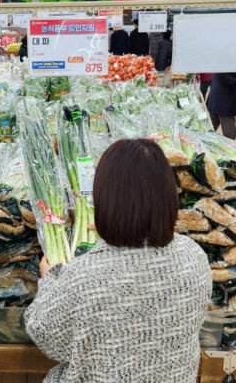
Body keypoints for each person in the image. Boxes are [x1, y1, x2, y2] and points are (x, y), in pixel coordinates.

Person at [25, 138, 212, 383]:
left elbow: (44, 335)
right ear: (169, 198)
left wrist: (49, 279)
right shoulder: (194, 258)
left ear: (104, 201)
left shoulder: (83, 277)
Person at [207, 73, 236, 140]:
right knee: (229, 133)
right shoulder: (225, 64)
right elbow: (222, 75)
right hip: (224, 99)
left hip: (221, 99)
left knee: (210, 126)